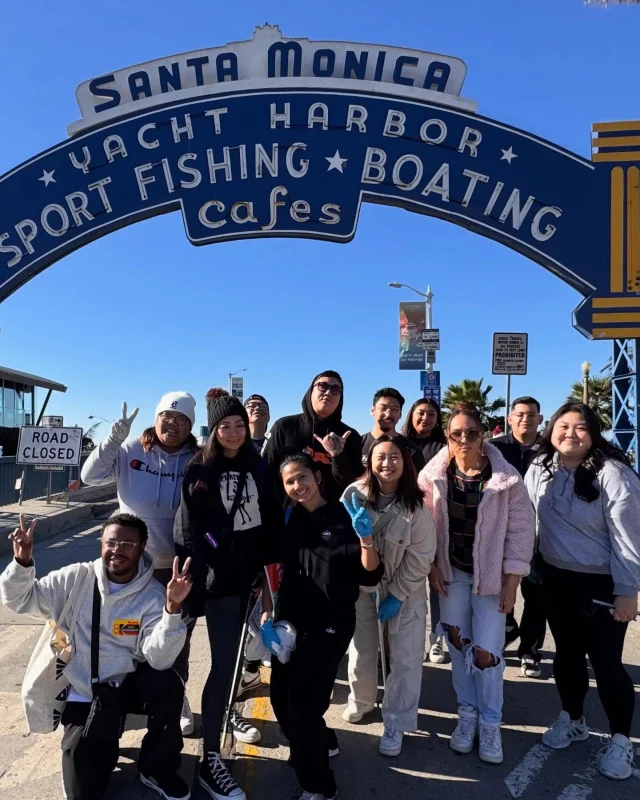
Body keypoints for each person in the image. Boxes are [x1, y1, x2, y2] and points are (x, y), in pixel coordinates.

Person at [0, 512, 192, 800]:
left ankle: (157, 768)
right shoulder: (75, 578)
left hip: (127, 684)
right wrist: (23, 562)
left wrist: (171, 611)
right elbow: (20, 600)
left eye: (128, 544)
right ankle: (102, 744)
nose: (118, 550)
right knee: (83, 791)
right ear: (101, 543)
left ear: (142, 548)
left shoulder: (153, 595)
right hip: (85, 689)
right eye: (111, 542)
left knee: (168, 684)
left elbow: (159, 659)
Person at [525, 402, 640, 781]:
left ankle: (622, 739)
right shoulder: (541, 467)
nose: (570, 434)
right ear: (551, 429)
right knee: (567, 656)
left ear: (593, 434)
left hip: (602, 583)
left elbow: (628, 539)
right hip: (555, 579)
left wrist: (628, 590)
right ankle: (573, 720)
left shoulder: (614, 474)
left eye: (580, 428)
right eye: (563, 426)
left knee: (606, 664)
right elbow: (526, 517)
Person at [262, 452, 383, 800]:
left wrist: (366, 538)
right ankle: (320, 742)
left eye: (303, 477)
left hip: (330, 623)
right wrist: (269, 611)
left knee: (302, 703)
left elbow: (370, 573)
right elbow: (274, 568)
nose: (298, 486)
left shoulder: (346, 517)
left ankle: (318, 786)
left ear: (316, 476)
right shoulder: (290, 519)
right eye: (290, 481)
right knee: (280, 699)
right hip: (290, 623)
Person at [418, 403, 535, 765]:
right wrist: (431, 567)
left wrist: (512, 582)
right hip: (452, 574)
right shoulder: (432, 476)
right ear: (447, 438)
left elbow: (520, 534)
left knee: (488, 651)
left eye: (472, 432)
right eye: (457, 434)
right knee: (457, 645)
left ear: (483, 435)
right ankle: (466, 713)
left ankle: (491, 721)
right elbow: (422, 526)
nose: (465, 439)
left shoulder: (507, 479)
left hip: (491, 578)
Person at [174, 389, 274, 800]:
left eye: (238, 425)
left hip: (251, 583)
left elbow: (269, 527)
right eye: (224, 427)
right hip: (218, 585)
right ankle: (210, 758)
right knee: (221, 667)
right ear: (213, 431)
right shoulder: (199, 472)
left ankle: (225, 728)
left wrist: (268, 585)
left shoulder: (259, 467)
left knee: (237, 666)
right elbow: (189, 534)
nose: (233, 433)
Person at [81, 392, 199, 734]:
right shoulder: (132, 448)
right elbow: (90, 476)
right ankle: (117, 701)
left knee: (174, 639)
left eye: (181, 420)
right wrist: (113, 439)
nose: (172, 424)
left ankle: (176, 698)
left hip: (175, 568)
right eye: (166, 416)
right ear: (156, 417)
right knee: (122, 636)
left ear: (191, 425)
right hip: (133, 567)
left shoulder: (196, 457)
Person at [342, 436, 436, 757]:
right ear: (369, 461)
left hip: (404, 593)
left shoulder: (417, 507)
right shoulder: (354, 495)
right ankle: (362, 700)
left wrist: (396, 593)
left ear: (405, 463)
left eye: (394, 457)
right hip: (364, 590)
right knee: (362, 649)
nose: (387, 463)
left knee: (405, 658)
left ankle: (396, 720)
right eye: (380, 457)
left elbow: (421, 557)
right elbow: (340, 540)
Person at [493, 397, 546, 678]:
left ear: (540, 419)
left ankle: (530, 650)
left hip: (542, 533)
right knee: (502, 588)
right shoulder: (496, 448)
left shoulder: (550, 449)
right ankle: (508, 628)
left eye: (532, 414)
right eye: (520, 414)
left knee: (537, 597)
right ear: (510, 418)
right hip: (504, 531)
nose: (526, 419)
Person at [263, 371, 362, 505]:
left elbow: (352, 486)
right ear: (311, 390)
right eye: (322, 386)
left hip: (334, 516)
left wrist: (337, 456)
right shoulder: (285, 427)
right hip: (289, 516)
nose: (328, 393)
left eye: (335, 389)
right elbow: (265, 472)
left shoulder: (349, 436)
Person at [402, 397, 448, 663]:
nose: (425, 418)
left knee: (438, 582)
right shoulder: (400, 443)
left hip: (436, 521)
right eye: (421, 413)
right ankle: (410, 638)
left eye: (431, 414)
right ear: (412, 416)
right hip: (403, 519)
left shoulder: (444, 446)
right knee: (408, 580)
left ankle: (438, 638)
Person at [360, 388, 426, 473]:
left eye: (394, 409)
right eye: (383, 408)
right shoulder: (357, 444)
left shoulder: (412, 450)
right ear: (373, 410)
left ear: (400, 414)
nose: (388, 414)